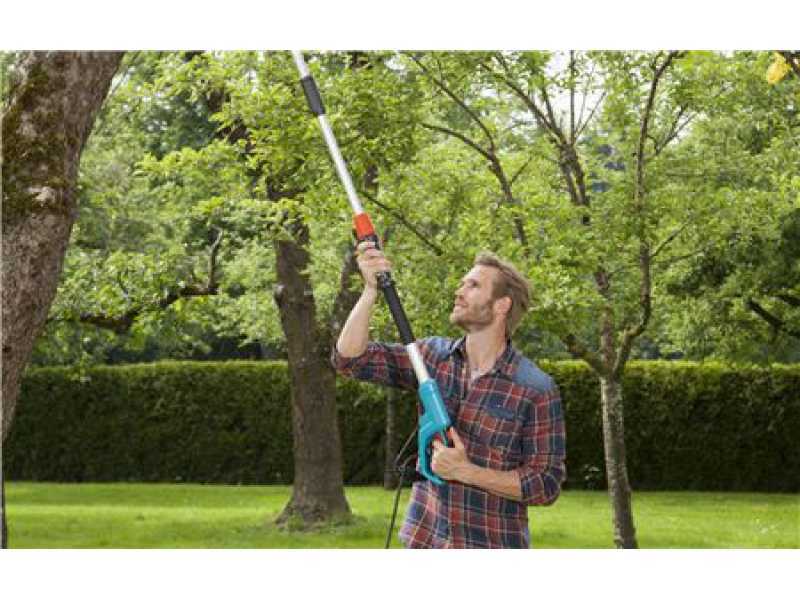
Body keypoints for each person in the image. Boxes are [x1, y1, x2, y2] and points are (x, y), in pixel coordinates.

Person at [332, 242, 566, 549]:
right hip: (424, 539)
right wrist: (370, 291)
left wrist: (467, 472)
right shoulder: (429, 358)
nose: (459, 291)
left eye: (473, 285)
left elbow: (545, 485)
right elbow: (349, 360)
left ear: (501, 305)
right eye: (461, 283)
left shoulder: (535, 388)